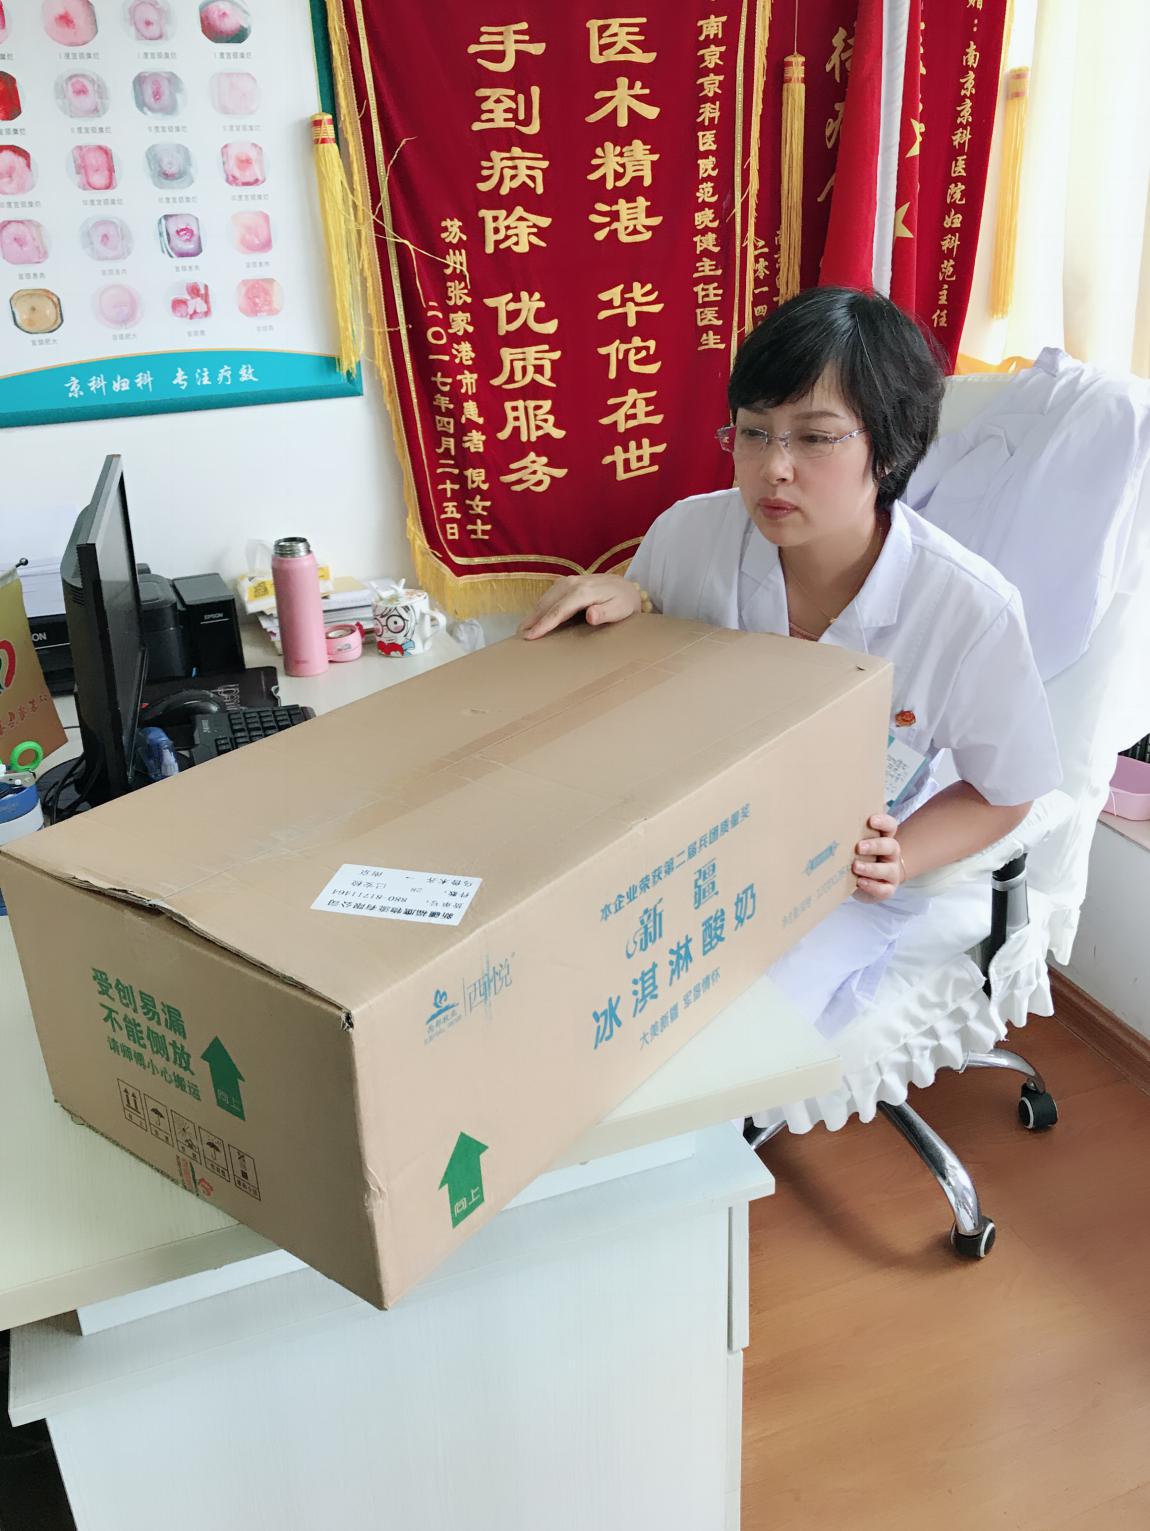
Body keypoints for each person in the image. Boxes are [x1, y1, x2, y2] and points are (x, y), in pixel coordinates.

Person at [520, 286, 1061, 1042]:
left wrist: (899, 855)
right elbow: (646, 677)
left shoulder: (968, 610)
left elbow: (1005, 793)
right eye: (753, 432)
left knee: (721, 1041)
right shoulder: (689, 536)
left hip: (832, 882)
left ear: (890, 447)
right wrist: (627, 603)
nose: (773, 468)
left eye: (814, 438)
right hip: (689, 849)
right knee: (571, 1000)